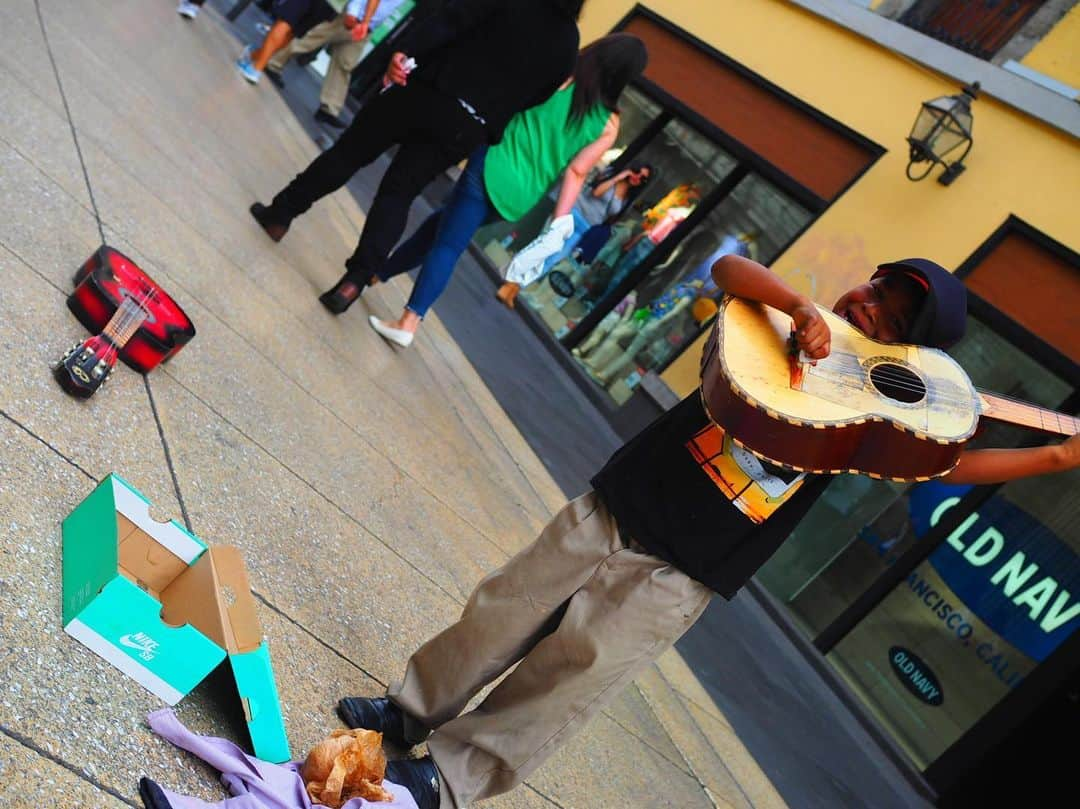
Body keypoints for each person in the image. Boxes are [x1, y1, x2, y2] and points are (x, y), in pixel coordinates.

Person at [332, 254, 1080, 809]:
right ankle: (410, 706)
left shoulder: (878, 418)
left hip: (691, 564)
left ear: (904, 351)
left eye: (888, 318)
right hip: (627, 497)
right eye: (876, 290)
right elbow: (729, 267)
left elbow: (944, 467)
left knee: (572, 673)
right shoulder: (790, 319)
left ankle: (447, 777)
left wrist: (1051, 454)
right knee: (504, 607)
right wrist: (796, 302)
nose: (868, 306)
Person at [248, 0, 584, 315]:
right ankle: (354, 281)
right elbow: (537, 96)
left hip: (426, 89)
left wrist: (407, 51)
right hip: (467, 125)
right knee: (399, 193)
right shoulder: (569, 42)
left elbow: (450, 20)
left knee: (349, 154)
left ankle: (281, 213)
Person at [359, 33, 648, 348]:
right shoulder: (609, 125)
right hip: (519, 196)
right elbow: (577, 172)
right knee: (442, 225)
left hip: (492, 164)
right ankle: (378, 273)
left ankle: (408, 321)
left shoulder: (562, 74)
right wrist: (559, 220)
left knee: (448, 245)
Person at [494, 162, 653, 308]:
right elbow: (597, 192)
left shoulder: (627, 198)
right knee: (543, 248)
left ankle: (514, 286)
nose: (637, 177)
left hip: (585, 227)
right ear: (631, 168)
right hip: (571, 213)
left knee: (553, 259)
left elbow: (610, 216)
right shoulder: (611, 173)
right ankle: (510, 280)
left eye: (643, 178)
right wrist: (619, 177)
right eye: (637, 172)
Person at [265, 0, 408, 129]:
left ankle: (329, 108)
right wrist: (353, 12)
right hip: (356, 18)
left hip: (367, 26)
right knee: (310, 41)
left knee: (344, 64)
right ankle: (273, 63)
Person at [235, 1, 339, 84]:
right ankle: (254, 57)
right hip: (330, 5)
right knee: (292, 31)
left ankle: (256, 68)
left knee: (286, 23)